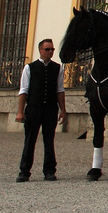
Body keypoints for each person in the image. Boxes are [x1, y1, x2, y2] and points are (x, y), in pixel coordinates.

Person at [16, 38, 66, 181]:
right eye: (47, 49)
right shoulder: (29, 68)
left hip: (50, 108)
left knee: (49, 140)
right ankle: (24, 171)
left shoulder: (58, 68)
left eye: (52, 49)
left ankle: (49, 170)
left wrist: (63, 110)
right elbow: (23, 91)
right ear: (40, 50)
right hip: (33, 108)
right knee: (30, 140)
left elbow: (60, 90)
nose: (50, 52)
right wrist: (20, 111)